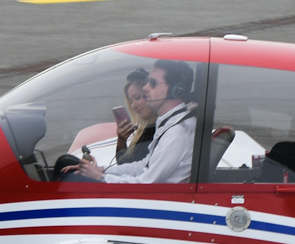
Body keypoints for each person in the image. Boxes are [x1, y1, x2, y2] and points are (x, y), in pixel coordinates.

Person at [65, 60, 197, 184]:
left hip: (152, 202)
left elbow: (147, 182)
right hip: (153, 199)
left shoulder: (177, 133)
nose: (145, 88)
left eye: (153, 83)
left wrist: (100, 177)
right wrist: (102, 170)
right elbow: (143, 166)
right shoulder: (171, 124)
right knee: (65, 163)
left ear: (176, 90)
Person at [113, 67, 156, 166]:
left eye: (137, 98)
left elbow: (128, 169)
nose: (133, 106)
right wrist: (122, 140)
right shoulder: (146, 128)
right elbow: (126, 165)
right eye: (131, 101)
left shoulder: (153, 131)